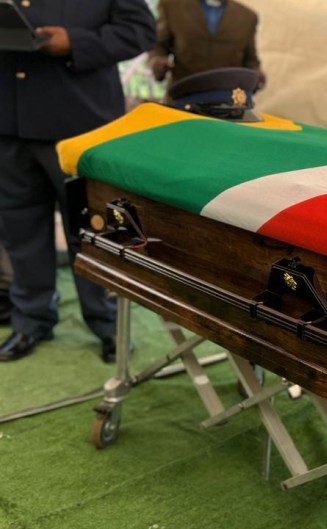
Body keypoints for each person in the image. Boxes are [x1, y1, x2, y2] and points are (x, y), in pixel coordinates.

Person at [0, 0, 155, 363]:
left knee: (91, 229)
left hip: (79, 123)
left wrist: (77, 42)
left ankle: (105, 322)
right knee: (20, 228)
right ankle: (31, 319)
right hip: (8, 121)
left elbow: (141, 31)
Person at [150, 0, 264, 89]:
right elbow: (158, 46)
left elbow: (251, 60)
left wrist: (256, 76)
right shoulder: (172, 6)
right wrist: (157, 61)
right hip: (182, 97)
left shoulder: (248, 17)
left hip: (227, 103)